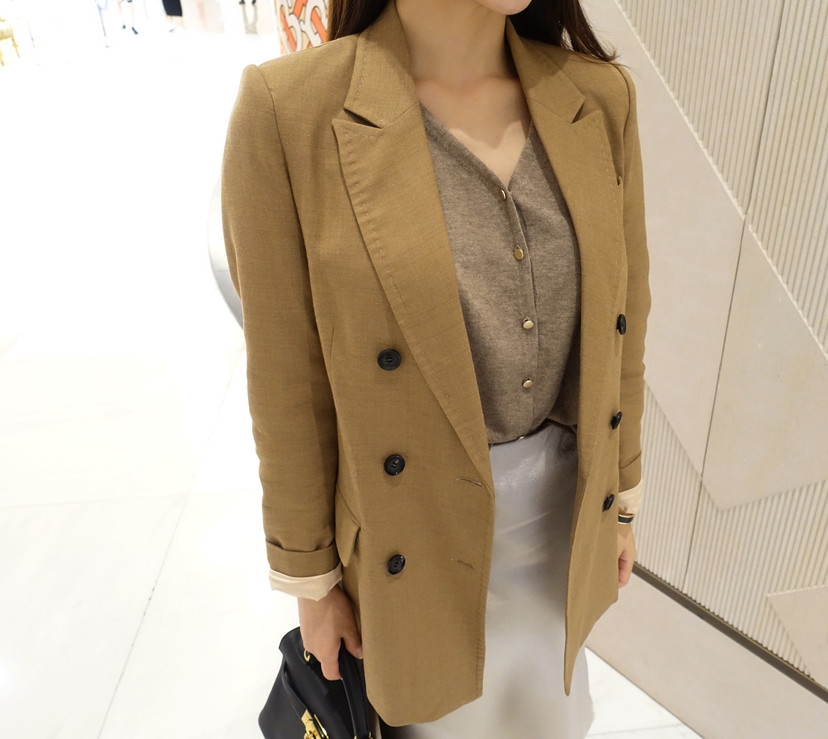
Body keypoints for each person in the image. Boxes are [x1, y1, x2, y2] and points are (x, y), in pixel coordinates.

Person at [221, 0, 650, 735]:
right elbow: (287, 380)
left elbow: (625, 316)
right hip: (411, 530)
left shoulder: (598, 96)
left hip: (562, 519)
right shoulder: (290, 111)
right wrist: (313, 585)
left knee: (552, 717)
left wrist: (622, 500)